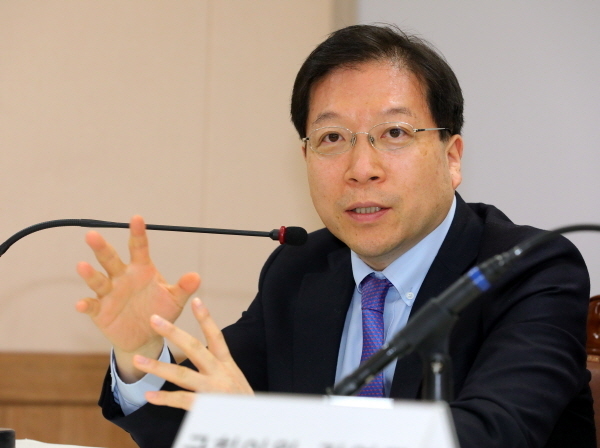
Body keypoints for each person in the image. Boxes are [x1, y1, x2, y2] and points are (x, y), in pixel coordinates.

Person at [76, 24, 595, 448]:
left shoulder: (530, 269)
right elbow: (197, 422)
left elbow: (492, 435)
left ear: (452, 157)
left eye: (394, 133)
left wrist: (269, 429)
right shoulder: (301, 270)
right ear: (306, 157)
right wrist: (142, 353)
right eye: (332, 138)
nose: (361, 168)